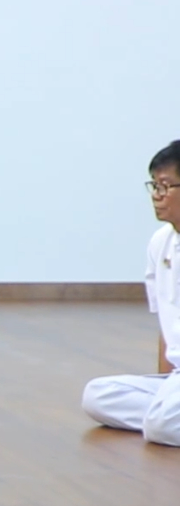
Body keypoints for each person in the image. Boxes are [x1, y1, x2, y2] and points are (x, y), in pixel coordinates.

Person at [82, 139, 180, 445]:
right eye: (153, 185)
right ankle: (164, 416)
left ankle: (164, 419)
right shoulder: (160, 242)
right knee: (98, 395)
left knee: (161, 424)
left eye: (165, 186)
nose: (156, 196)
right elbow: (166, 324)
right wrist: (167, 388)